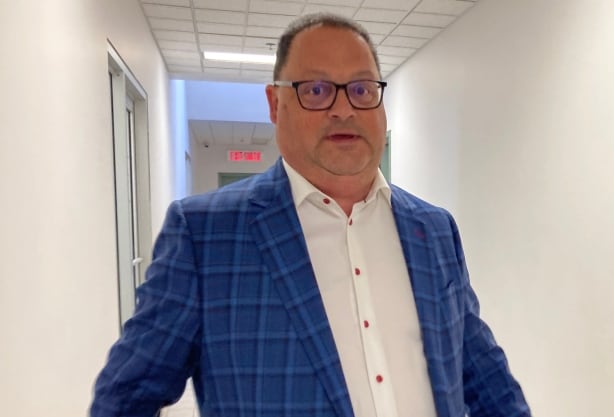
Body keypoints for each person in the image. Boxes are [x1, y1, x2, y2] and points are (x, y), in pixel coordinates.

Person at [91, 13, 531, 417]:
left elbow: (486, 379)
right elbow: (127, 398)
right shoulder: (205, 235)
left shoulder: (433, 230)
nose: (343, 109)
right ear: (275, 104)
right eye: (316, 90)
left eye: (361, 89)